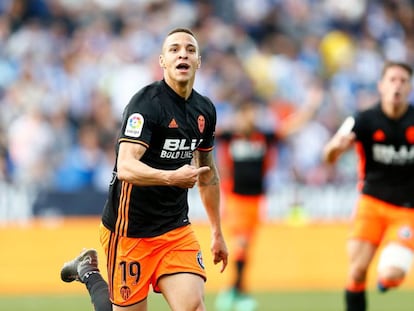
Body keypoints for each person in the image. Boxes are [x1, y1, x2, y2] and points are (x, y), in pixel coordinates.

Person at [60, 27, 228, 311]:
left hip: (174, 229)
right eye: (174, 49)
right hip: (129, 231)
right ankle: (89, 272)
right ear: (162, 61)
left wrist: (216, 231)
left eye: (189, 49)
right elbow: (126, 167)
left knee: (193, 307)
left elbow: (207, 174)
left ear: (198, 61)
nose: (182, 54)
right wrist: (171, 177)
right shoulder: (146, 104)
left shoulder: (204, 111)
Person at [214, 88, 322, 311]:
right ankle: (237, 293)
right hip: (235, 199)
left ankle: (235, 291)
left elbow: (292, 126)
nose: (251, 117)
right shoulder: (229, 136)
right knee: (242, 244)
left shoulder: (264, 136)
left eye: (254, 112)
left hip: (257, 201)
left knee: (246, 248)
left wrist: (310, 105)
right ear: (239, 115)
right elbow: (202, 131)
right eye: (247, 113)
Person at [322, 61, 414, 311]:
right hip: (371, 203)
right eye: (392, 80)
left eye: (403, 81)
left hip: (407, 210)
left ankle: (387, 279)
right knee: (357, 271)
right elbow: (328, 153)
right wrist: (336, 149)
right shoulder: (362, 119)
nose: (397, 85)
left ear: (409, 87)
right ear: (381, 86)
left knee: (393, 273)